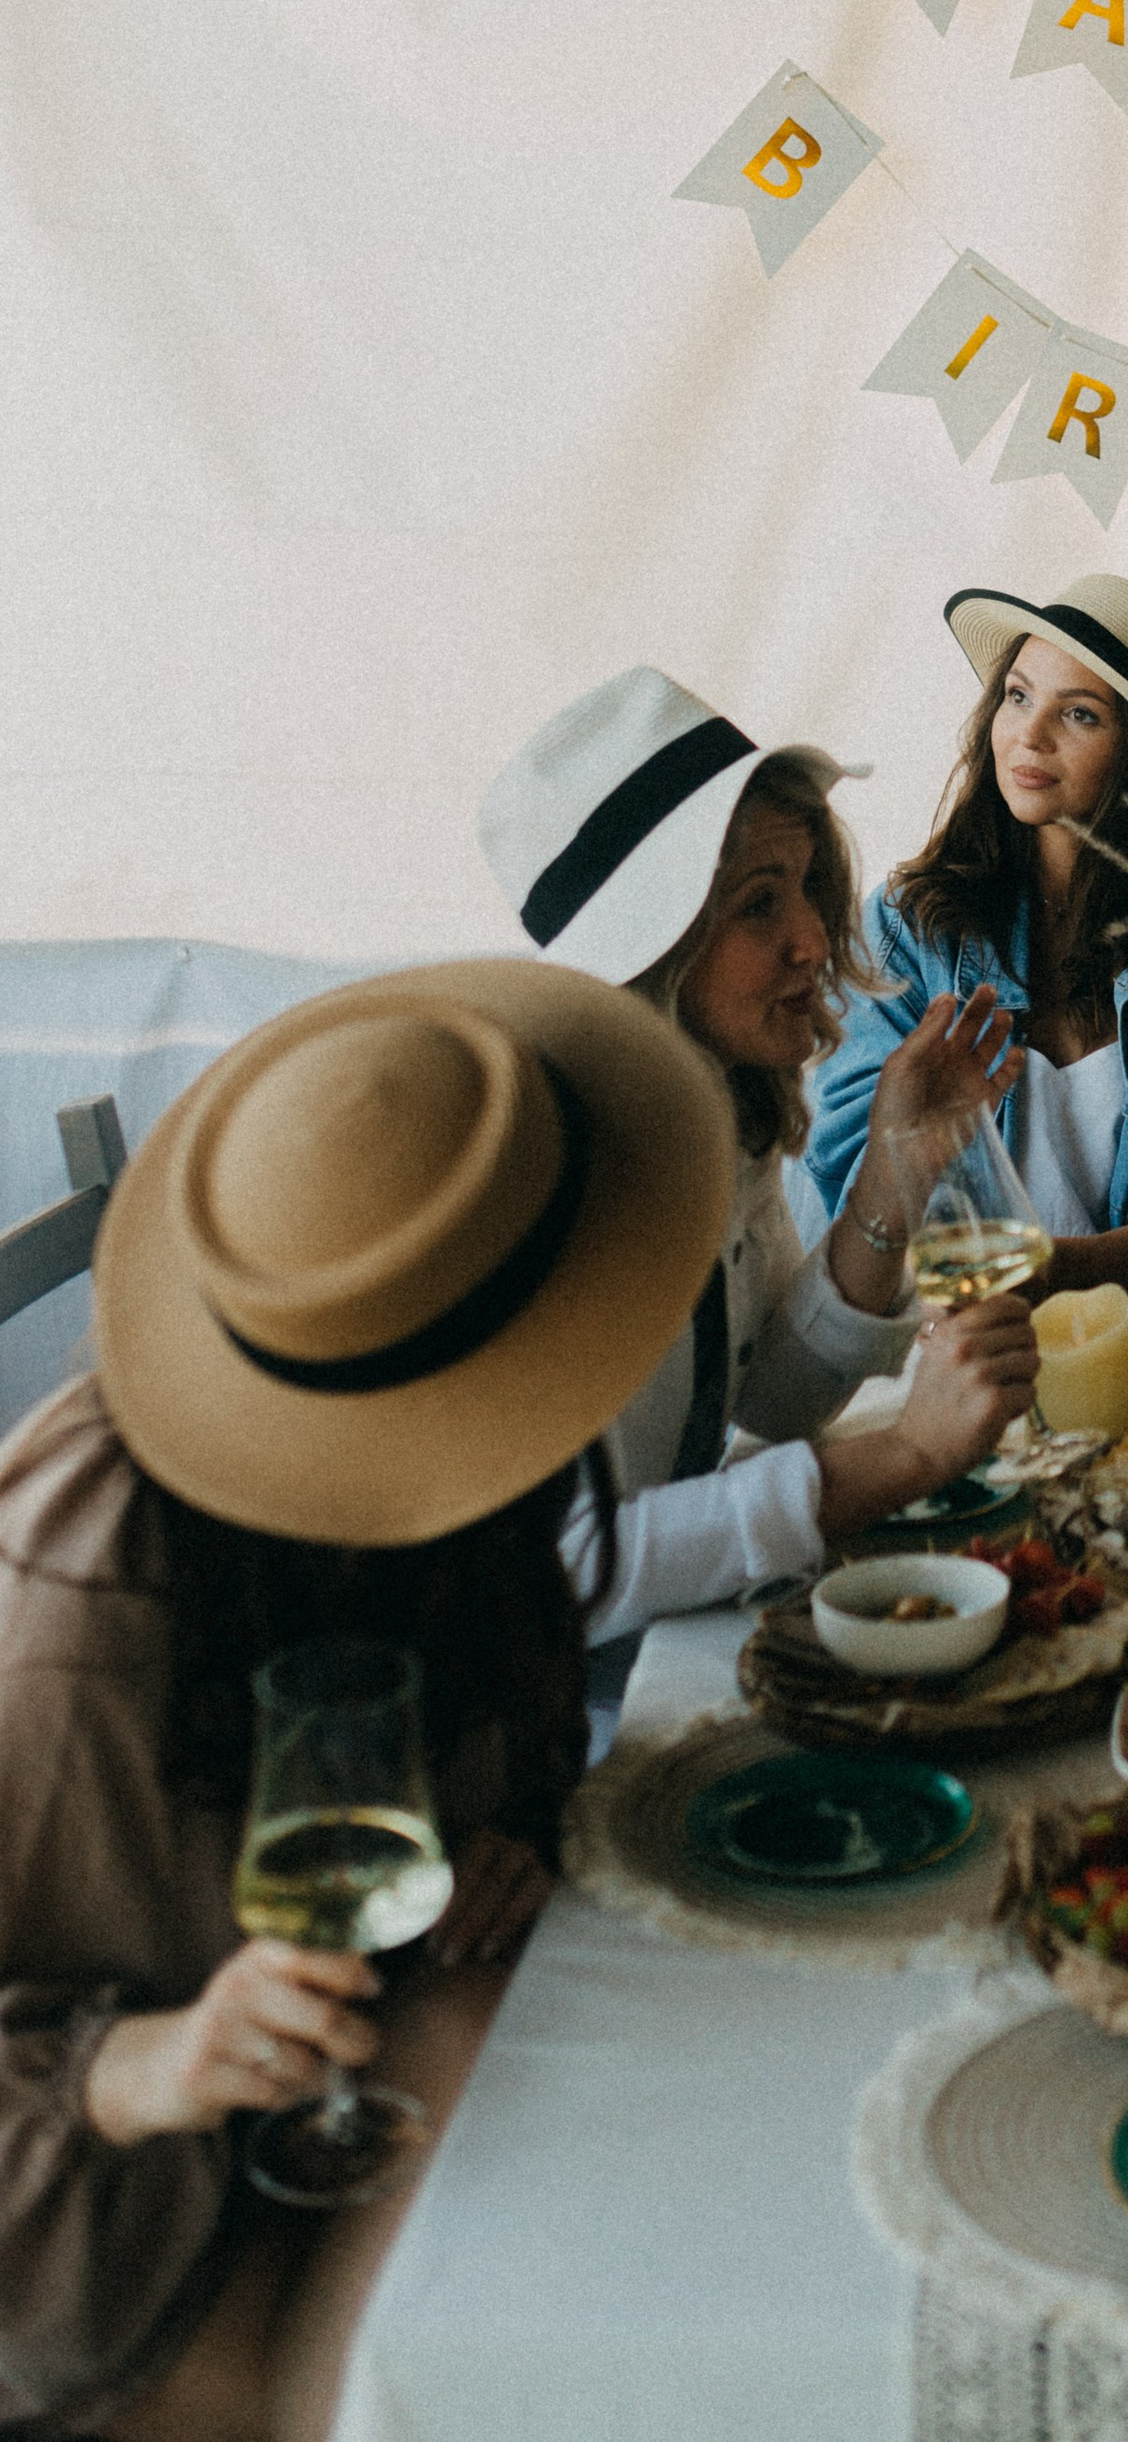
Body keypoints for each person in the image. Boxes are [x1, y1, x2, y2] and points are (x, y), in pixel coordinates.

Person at [0, 958, 733, 2442]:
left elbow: (507, 1727)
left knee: (683, 2164)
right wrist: (144, 2065)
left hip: (336, 2079)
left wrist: (511, 1830)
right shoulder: (81, 1620)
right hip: (97, 2253)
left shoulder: (421, 1485)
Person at [480, 668, 1035, 1658]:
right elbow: (562, 1569)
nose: (815, 941)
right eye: (757, 906)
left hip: (665, 1638)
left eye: (808, 891)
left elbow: (772, 1399)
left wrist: (895, 1171)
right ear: (654, 947)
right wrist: (905, 1453)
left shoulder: (712, 1111)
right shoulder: (541, 1177)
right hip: (539, 1700)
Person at [806, 576, 1128, 1299]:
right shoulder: (912, 924)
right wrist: (1003, 1276)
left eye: (1081, 715)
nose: (1029, 734)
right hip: (941, 1327)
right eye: (1018, 695)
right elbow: (847, 1177)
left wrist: (1052, 1276)